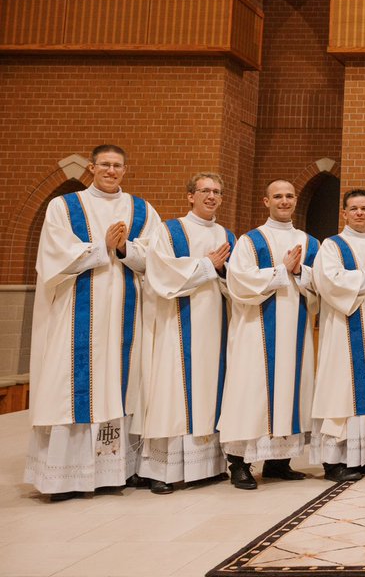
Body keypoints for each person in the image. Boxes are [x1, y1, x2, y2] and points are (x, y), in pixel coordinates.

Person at [25, 144, 161, 500]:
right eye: (105, 165)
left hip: (127, 318)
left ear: (125, 170)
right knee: (70, 388)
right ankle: (64, 478)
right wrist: (101, 248)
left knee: (121, 386)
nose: (111, 171)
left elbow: (157, 257)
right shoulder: (64, 206)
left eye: (118, 165)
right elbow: (53, 256)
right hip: (75, 316)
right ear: (91, 167)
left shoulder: (142, 209)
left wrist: (123, 250)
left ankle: (117, 471)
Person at [140, 172, 236, 495]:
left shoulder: (228, 236)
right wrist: (207, 265)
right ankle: (160, 471)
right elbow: (161, 274)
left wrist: (223, 272)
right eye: (205, 190)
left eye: (217, 192)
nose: (211, 196)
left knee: (211, 389)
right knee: (172, 391)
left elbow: (237, 284)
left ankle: (206, 467)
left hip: (216, 325)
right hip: (177, 325)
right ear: (190, 195)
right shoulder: (169, 230)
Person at [221, 180, 319, 489]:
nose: (285, 201)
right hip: (256, 332)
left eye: (290, 196)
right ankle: (239, 462)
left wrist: (302, 272)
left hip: (296, 330)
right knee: (251, 392)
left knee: (292, 388)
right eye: (278, 196)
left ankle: (279, 461)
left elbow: (323, 286)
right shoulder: (251, 241)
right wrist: (281, 270)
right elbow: (238, 282)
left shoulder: (310, 242)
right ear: (266, 201)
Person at [312, 190, 365, 483]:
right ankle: (333, 461)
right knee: (341, 387)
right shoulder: (332, 246)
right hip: (344, 327)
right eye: (354, 208)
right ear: (344, 214)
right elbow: (329, 283)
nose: (360, 213)